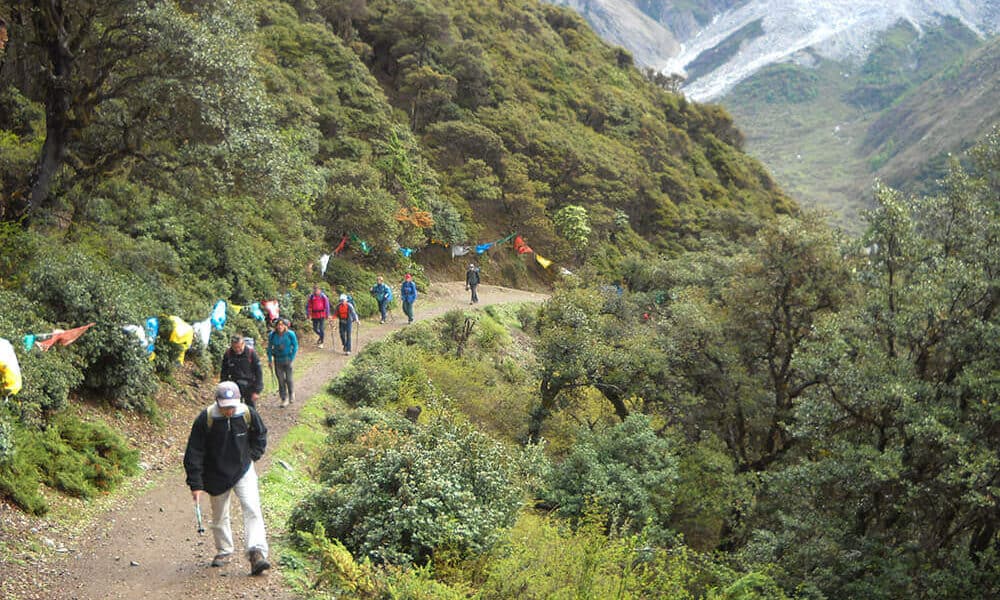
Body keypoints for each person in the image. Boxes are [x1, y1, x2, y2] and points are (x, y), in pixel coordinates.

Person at [184, 381, 270, 576]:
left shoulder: (246, 413)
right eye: (225, 407)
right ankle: (224, 550)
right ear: (217, 402)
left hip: (243, 469)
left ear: (238, 402)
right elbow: (194, 452)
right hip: (215, 473)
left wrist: (253, 454)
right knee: (220, 514)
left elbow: (260, 434)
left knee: (252, 509)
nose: (229, 411)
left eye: (232, 406)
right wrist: (195, 483)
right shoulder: (206, 418)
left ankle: (256, 553)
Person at [219, 334, 263, 409]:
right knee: (235, 408)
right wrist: (223, 386)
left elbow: (259, 372)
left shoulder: (251, 353)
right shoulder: (228, 354)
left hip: (250, 385)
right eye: (235, 347)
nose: (237, 349)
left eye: (239, 347)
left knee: (251, 409)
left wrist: (257, 391)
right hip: (234, 385)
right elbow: (224, 372)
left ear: (243, 344)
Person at [266, 318, 298, 408]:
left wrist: (292, 357)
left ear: (285, 326)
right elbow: (269, 348)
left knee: (289, 379)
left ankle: (291, 393)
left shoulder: (290, 334)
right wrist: (269, 360)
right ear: (275, 326)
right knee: (280, 380)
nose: (280, 327)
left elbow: (295, 346)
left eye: (281, 325)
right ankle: (284, 398)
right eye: (278, 325)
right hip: (277, 360)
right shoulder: (272, 335)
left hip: (288, 359)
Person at [305, 284, 331, 348]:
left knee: (321, 328)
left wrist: (327, 315)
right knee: (315, 329)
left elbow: (327, 306)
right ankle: (321, 336)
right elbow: (308, 306)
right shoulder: (311, 297)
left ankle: (322, 342)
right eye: (315, 290)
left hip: (322, 314)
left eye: (317, 290)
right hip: (314, 315)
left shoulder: (323, 296)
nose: (316, 291)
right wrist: (308, 314)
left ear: (320, 290)